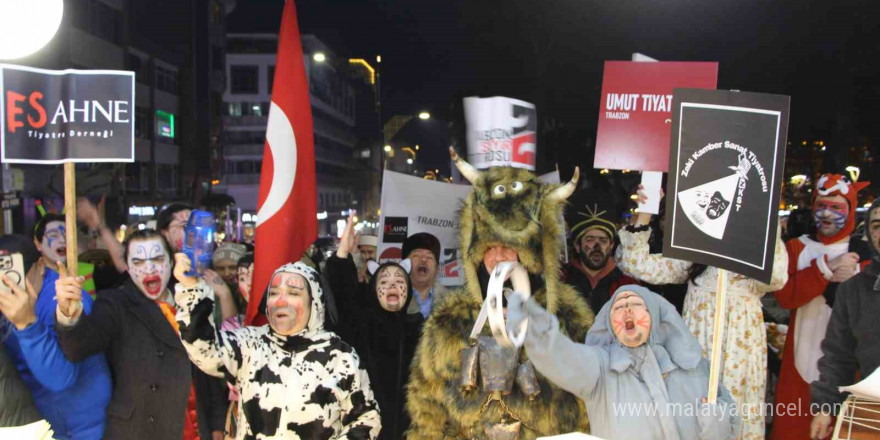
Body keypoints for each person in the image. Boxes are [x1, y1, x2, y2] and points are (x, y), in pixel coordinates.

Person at [405, 149, 594, 440]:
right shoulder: (449, 320)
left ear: (529, 254)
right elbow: (426, 405)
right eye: (490, 249)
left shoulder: (567, 316)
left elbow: (591, 399)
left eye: (508, 247)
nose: (499, 257)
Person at [617, 188, 788, 440]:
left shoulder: (754, 262)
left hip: (739, 353)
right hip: (698, 349)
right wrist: (645, 213)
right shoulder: (695, 258)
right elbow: (635, 263)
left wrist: (765, 224)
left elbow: (778, 277)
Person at [172, 255, 381, 439]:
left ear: (314, 302)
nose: (280, 301)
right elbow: (203, 347)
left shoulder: (339, 356)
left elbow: (366, 419)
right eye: (273, 293)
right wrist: (191, 287)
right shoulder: (250, 344)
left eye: (293, 292)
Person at [53, 229, 227, 440]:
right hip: (139, 429)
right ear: (127, 266)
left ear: (171, 262)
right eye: (138, 262)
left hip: (195, 425)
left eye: (157, 258)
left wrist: (218, 422)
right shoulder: (115, 303)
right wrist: (67, 314)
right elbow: (77, 348)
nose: (149, 268)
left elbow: (210, 366)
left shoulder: (191, 297)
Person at [508, 285, 740, 439]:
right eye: (618, 307)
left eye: (636, 304)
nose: (627, 308)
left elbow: (733, 426)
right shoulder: (601, 369)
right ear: (609, 325)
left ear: (655, 316)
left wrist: (719, 425)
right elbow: (562, 358)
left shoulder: (697, 369)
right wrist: (534, 328)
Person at [771, 173, 871, 440]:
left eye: (836, 207)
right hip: (800, 359)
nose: (826, 213)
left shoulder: (867, 252)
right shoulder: (794, 248)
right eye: (820, 205)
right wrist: (824, 270)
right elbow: (785, 296)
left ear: (850, 209)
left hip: (851, 365)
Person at [1, 217, 113, 440]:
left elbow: (61, 378)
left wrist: (27, 323)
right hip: (39, 422)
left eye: (19, 275)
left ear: (40, 266)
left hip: (82, 425)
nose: (12, 285)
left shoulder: (65, 298)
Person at [327, 215, 424, 440]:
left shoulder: (420, 329)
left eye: (399, 282)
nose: (392, 285)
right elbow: (344, 297)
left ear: (408, 290)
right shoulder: (361, 325)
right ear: (373, 290)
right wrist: (343, 255)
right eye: (384, 282)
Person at [808, 197, 880, 440]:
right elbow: (839, 356)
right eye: (877, 226)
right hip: (872, 409)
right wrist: (826, 407)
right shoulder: (854, 290)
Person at [563, 193, 639, 315]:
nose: (597, 247)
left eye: (603, 241)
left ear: (611, 246)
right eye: (590, 239)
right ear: (577, 246)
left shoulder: (627, 286)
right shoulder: (561, 281)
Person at [402, 232, 448, 318]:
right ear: (404, 265)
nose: (423, 259)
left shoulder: (451, 302)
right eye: (417, 255)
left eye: (429, 257)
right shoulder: (393, 298)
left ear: (437, 269)